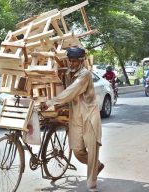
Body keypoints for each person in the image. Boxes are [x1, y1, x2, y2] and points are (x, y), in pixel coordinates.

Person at [42, 47, 104, 192]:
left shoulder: (85, 74)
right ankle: (97, 165)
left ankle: (92, 184)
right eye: (70, 60)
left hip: (89, 114)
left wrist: (52, 102)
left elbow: (71, 91)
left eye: (75, 61)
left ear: (82, 61)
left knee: (92, 149)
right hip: (75, 114)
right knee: (77, 150)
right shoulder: (68, 73)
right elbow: (64, 90)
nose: (72, 63)